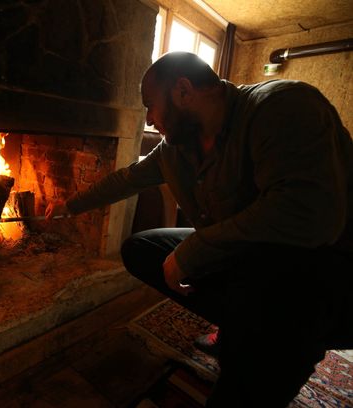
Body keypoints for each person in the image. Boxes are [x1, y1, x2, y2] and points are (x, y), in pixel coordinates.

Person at [46, 51, 353, 407]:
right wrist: (69, 205)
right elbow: (127, 179)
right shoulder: (178, 147)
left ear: (182, 90)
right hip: (248, 256)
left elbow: (308, 217)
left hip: (325, 266)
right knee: (142, 249)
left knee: (260, 342)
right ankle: (241, 323)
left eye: (150, 105)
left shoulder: (282, 105)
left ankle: (270, 349)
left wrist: (196, 249)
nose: (148, 117)